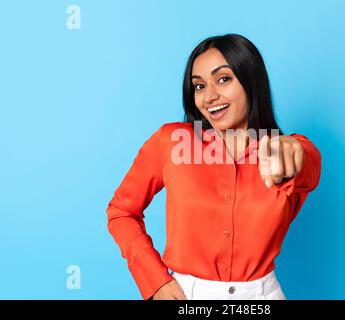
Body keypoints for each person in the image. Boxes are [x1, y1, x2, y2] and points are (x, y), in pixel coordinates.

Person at [106, 34, 322, 300]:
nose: (209, 96)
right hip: (187, 296)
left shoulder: (282, 151)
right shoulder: (171, 142)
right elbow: (121, 211)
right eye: (199, 86)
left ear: (251, 81)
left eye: (223, 79)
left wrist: (295, 151)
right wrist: (155, 281)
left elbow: (308, 164)